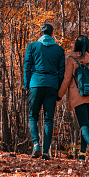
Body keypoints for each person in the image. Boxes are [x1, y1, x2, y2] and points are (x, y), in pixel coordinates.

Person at [57, 35, 89, 163]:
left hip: (78, 96)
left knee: (83, 124)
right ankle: (82, 155)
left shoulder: (71, 59)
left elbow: (67, 79)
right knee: (85, 125)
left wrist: (59, 95)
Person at [24, 23, 65, 160]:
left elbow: (27, 67)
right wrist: (58, 90)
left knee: (33, 116)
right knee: (48, 120)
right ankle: (46, 152)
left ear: (40, 34)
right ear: (52, 34)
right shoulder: (59, 50)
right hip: (51, 86)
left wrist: (26, 85)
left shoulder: (32, 46)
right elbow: (61, 72)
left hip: (35, 84)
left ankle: (36, 144)